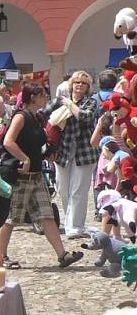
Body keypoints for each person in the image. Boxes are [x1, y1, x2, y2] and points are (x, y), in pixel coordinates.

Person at [0, 83, 83, 269]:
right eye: (42, 94)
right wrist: (24, 159)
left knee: (47, 215)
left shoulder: (38, 117)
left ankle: (63, 255)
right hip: (20, 177)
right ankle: (0, 256)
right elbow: (8, 142)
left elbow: (36, 144)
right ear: (32, 97)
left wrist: (47, 154)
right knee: (12, 218)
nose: (46, 97)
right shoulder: (21, 116)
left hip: (36, 176)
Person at [52, 70, 98, 239]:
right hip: (62, 152)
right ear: (71, 84)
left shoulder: (90, 102)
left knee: (78, 190)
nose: (80, 85)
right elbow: (44, 116)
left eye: (84, 83)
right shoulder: (59, 101)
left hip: (84, 152)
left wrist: (70, 105)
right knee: (63, 189)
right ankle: (70, 222)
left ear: (88, 87)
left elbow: (86, 118)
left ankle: (75, 227)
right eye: (77, 82)